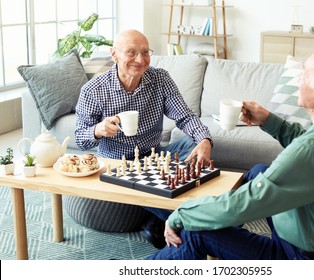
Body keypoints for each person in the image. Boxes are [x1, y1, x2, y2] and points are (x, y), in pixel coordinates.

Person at [146, 44, 314, 260]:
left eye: (305, 75)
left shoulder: (313, 150)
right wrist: (267, 120)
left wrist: (183, 214)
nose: (298, 79)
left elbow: (248, 201)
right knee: (259, 172)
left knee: (197, 233)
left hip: (302, 257)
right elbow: (309, 148)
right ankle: (213, 222)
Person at [67, 29, 213, 248]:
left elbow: (185, 116)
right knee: (138, 178)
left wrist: (204, 140)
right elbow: (81, 139)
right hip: (118, 165)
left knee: (194, 145)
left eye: (145, 52)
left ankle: (158, 220)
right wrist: (98, 130)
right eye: (131, 52)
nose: (140, 59)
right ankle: (187, 221)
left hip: (154, 155)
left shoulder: (160, 78)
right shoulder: (93, 90)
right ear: (114, 54)